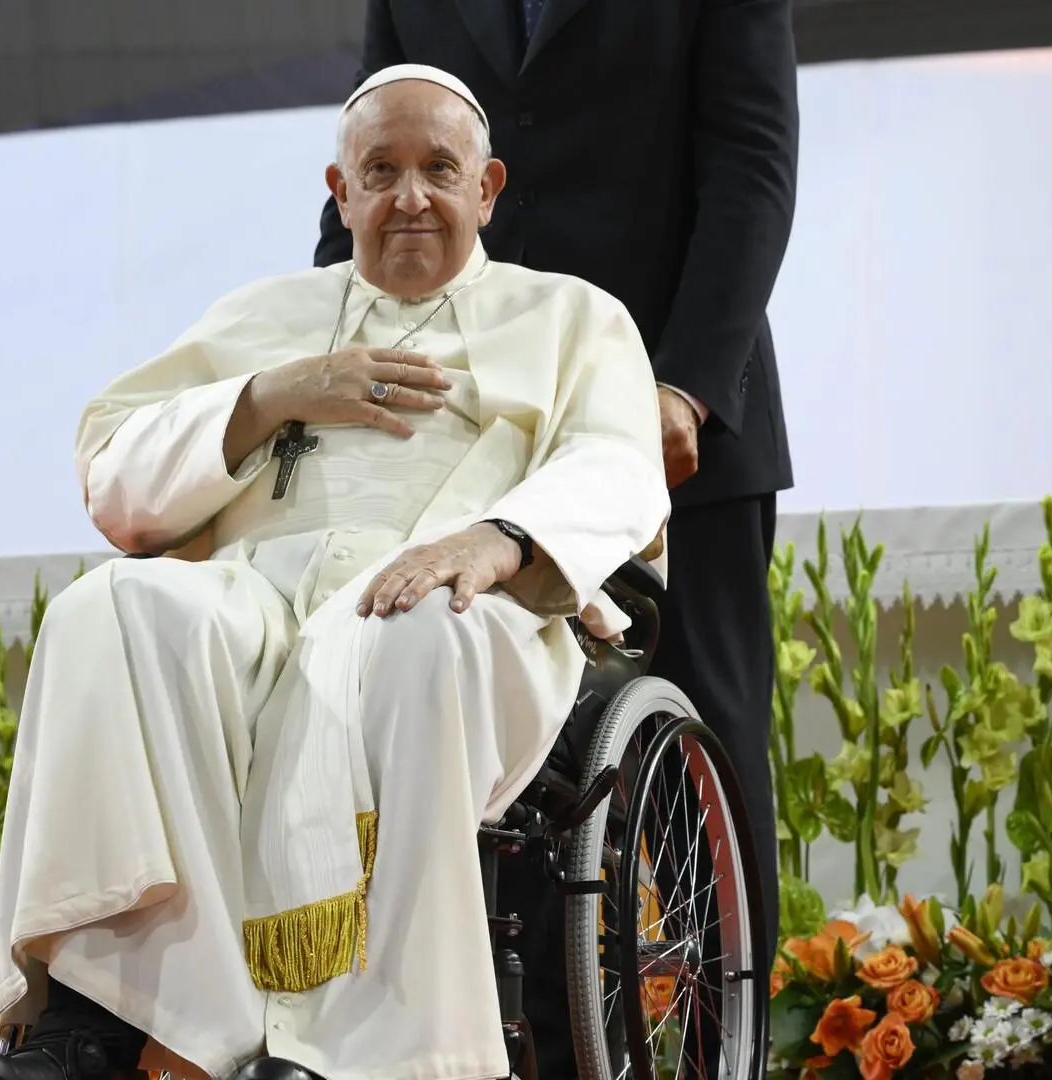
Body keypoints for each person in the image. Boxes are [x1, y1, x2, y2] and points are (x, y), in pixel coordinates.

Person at [0, 65, 668, 1080]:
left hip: (468, 600)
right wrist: (270, 396)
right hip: (261, 597)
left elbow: (621, 467)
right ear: (340, 191)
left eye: (438, 170)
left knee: (413, 629)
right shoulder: (265, 312)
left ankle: (369, 1055)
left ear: (488, 187)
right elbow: (115, 475)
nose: (410, 197)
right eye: (381, 171)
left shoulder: (571, 318)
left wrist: (498, 539)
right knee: (111, 608)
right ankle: (105, 1016)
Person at [315, 5, 799, 1072]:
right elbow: (376, 155)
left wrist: (685, 386)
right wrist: (327, 356)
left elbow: (753, 168)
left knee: (706, 759)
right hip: (476, 429)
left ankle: (730, 1053)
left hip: (677, 432)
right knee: (507, 775)